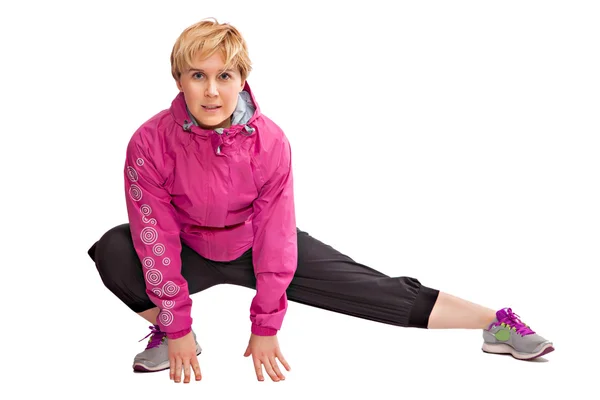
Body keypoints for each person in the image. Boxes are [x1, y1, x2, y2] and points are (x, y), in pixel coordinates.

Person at [87, 18, 554, 384]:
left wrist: (266, 324)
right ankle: (167, 336)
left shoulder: (269, 143)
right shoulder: (149, 142)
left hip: (257, 245)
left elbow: (275, 232)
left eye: (224, 75)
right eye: (198, 76)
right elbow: (157, 238)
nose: (212, 90)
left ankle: (497, 321)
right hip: (188, 247)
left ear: (242, 79)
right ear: (179, 80)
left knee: (375, 289)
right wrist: (178, 326)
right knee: (113, 249)